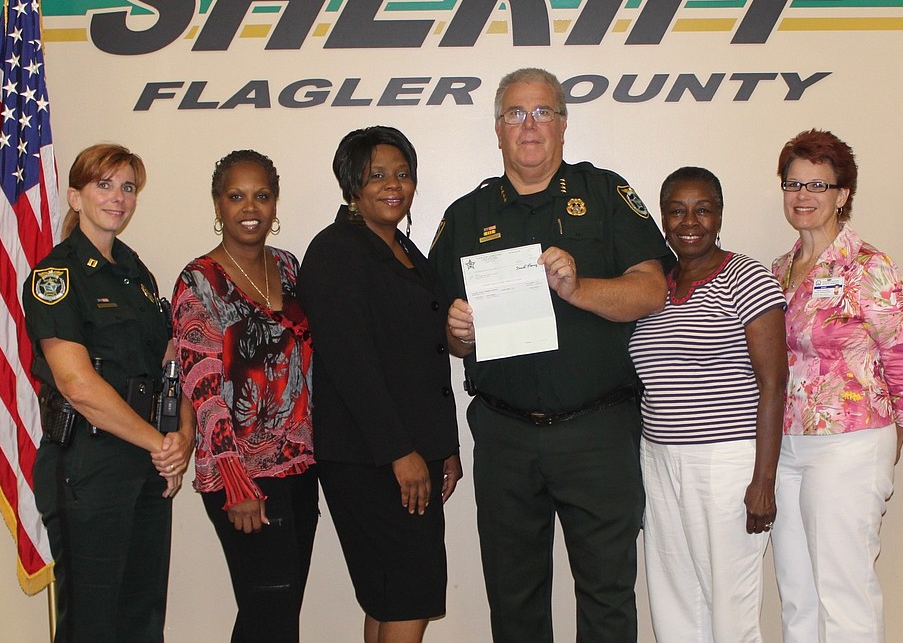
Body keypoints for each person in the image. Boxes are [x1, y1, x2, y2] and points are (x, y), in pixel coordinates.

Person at [429, 68, 669, 643]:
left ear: (563, 124)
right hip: (505, 435)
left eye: (542, 112)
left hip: (598, 432)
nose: (529, 125)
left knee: (608, 595)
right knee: (514, 600)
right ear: (497, 129)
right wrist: (457, 331)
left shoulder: (604, 193)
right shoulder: (468, 213)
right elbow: (446, 336)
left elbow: (651, 289)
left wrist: (578, 287)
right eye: (515, 113)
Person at [24, 143, 194, 643]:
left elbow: (171, 365)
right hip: (89, 462)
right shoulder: (56, 277)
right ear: (75, 197)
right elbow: (77, 384)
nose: (117, 198)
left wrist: (182, 435)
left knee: (142, 619)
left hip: (145, 461)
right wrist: (157, 444)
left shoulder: (136, 274)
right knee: (93, 624)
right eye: (104, 185)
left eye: (127, 187)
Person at [298, 126, 461, 643]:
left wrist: (444, 448)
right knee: (409, 595)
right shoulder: (335, 251)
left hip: (414, 448)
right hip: (373, 457)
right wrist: (401, 454)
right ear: (351, 183)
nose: (394, 184)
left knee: (391, 594)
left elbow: (425, 358)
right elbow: (352, 366)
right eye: (377, 175)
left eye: (403, 173)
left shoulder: (403, 248)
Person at [769, 130, 903, 642]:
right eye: (794, 184)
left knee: (843, 591)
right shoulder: (778, 270)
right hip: (787, 445)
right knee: (797, 593)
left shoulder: (868, 266)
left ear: (843, 194)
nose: (804, 197)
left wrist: (898, 432)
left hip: (852, 441)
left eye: (818, 185)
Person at [628, 166, 786, 642]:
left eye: (702, 209)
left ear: (719, 215)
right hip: (659, 459)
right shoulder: (654, 286)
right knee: (673, 598)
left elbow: (774, 384)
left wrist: (764, 480)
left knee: (729, 605)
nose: (689, 221)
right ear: (663, 217)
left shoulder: (747, 277)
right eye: (677, 210)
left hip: (725, 461)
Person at [171, 150, 317, 643]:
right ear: (218, 203)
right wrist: (236, 481)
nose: (249, 207)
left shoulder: (290, 267)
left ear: (275, 204)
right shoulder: (199, 282)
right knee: (269, 614)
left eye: (261, 195)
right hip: (244, 479)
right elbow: (204, 389)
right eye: (236, 196)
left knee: (276, 613)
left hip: (300, 469)